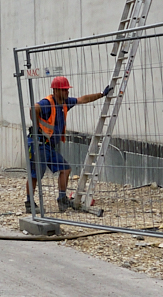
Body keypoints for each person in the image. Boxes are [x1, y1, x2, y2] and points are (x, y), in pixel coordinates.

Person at [27, 76, 112, 212]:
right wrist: (37, 126)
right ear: (56, 90)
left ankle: (62, 199)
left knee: (65, 169)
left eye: (67, 90)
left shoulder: (65, 102)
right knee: (35, 174)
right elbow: (34, 108)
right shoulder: (47, 103)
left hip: (48, 146)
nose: (67, 92)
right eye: (64, 90)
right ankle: (29, 203)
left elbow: (82, 99)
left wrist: (101, 94)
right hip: (38, 144)